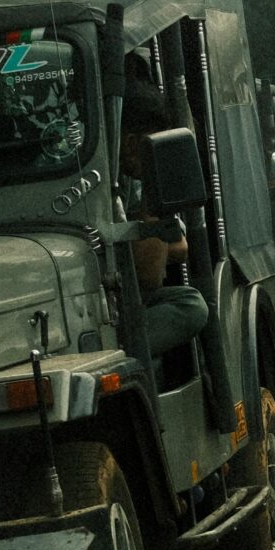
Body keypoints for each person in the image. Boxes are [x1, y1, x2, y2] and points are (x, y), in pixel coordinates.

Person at [119, 82, 211, 361]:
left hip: (127, 298)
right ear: (133, 144)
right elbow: (150, 276)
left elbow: (180, 248)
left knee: (190, 302)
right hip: (112, 307)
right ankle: (120, 355)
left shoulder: (130, 184)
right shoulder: (116, 183)